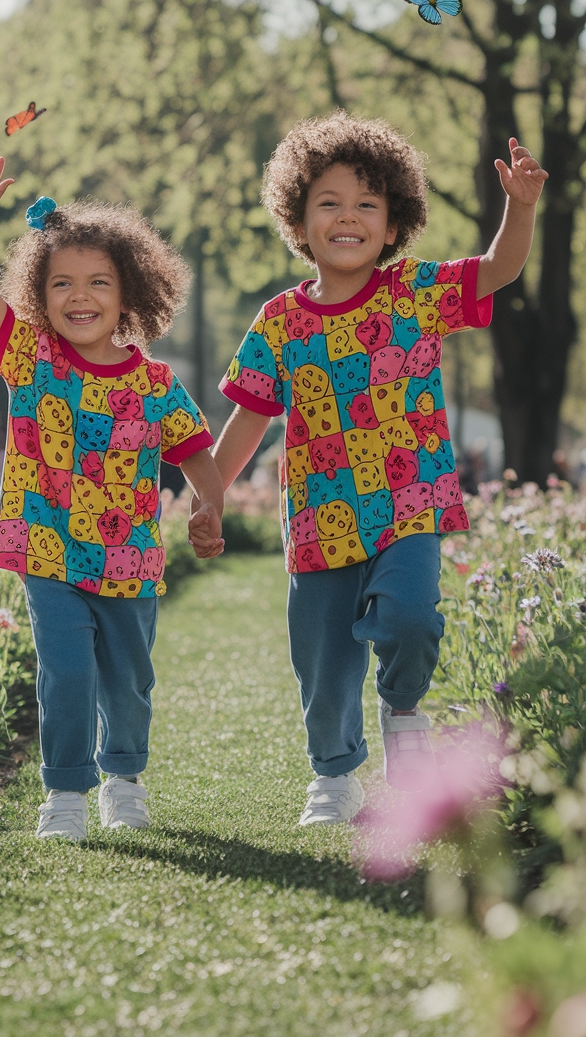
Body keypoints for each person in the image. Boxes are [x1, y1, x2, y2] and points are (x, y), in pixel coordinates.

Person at [195, 111, 547, 827]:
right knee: (323, 668)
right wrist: (211, 497)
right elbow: (250, 418)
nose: (347, 217)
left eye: (366, 204)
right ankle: (333, 778)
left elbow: (501, 269)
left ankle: (404, 715)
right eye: (328, 202)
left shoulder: (415, 292)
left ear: (393, 224)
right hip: (320, 520)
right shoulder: (280, 322)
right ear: (299, 219)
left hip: (409, 505)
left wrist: (521, 206)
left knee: (412, 620)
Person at [0, 154, 225, 842]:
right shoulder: (29, 360)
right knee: (66, 672)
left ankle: (124, 778)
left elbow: (195, 449)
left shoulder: (156, 381)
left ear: (129, 295)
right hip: (46, 547)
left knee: (129, 683)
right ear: (39, 297)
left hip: (129, 557)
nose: (81, 295)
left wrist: (208, 505)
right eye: (62, 283)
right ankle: (66, 793)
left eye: (99, 282)